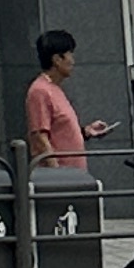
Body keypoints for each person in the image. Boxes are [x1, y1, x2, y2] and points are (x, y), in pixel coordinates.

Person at [27, 27, 111, 168]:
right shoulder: (40, 91)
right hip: (60, 176)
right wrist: (57, 172)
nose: (73, 61)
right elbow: (40, 137)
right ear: (57, 59)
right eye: (69, 55)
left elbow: (59, 131)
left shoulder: (54, 89)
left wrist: (86, 132)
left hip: (73, 173)